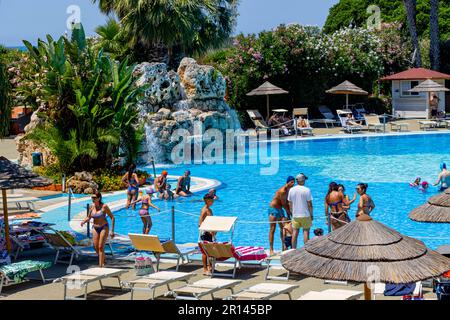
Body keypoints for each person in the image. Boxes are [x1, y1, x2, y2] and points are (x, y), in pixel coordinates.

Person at [81, 191, 115, 267]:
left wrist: (112, 231)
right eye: (92, 197)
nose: (93, 199)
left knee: (100, 247)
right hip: (95, 227)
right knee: (95, 246)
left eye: (94, 197)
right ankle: (103, 258)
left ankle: (101, 265)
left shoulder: (104, 206)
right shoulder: (91, 206)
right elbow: (89, 217)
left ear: (99, 198)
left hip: (104, 227)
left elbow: (112, 217)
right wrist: (83, 221)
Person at [268, 176, 295, 255]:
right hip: (273, 209)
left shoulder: (288, 190)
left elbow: (287, 203)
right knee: (272, 229)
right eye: (291, 182)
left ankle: (283, 247)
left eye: (294, 182)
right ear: (287, 182)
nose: (293, 184)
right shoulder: (283, 191)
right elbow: (284, 204)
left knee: (283, 228)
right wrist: (290, 214)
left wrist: (290, 213)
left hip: (280, 210)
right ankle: (271, 249)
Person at [288, 173, 313, 249]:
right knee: (306, 232)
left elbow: (290, 203)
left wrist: (292, 213)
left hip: (295, 215)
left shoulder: (291, 190)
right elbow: (309, 204)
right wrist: (311, 215)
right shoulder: (307, 190)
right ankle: (306, 250)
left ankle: (293, 249)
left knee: (295, 232)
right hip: (305, 215)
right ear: (302, 180)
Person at [198, 193, 216, 276]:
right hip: (205, 232)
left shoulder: (209, 209)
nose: (213, 201)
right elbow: (200, 223)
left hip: (210, 232)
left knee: (210, 250)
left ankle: (210, 267)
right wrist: (209, 231)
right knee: (205, 251)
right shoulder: (204, 210)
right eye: (211, 200)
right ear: (207, 201)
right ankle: (205, 269)